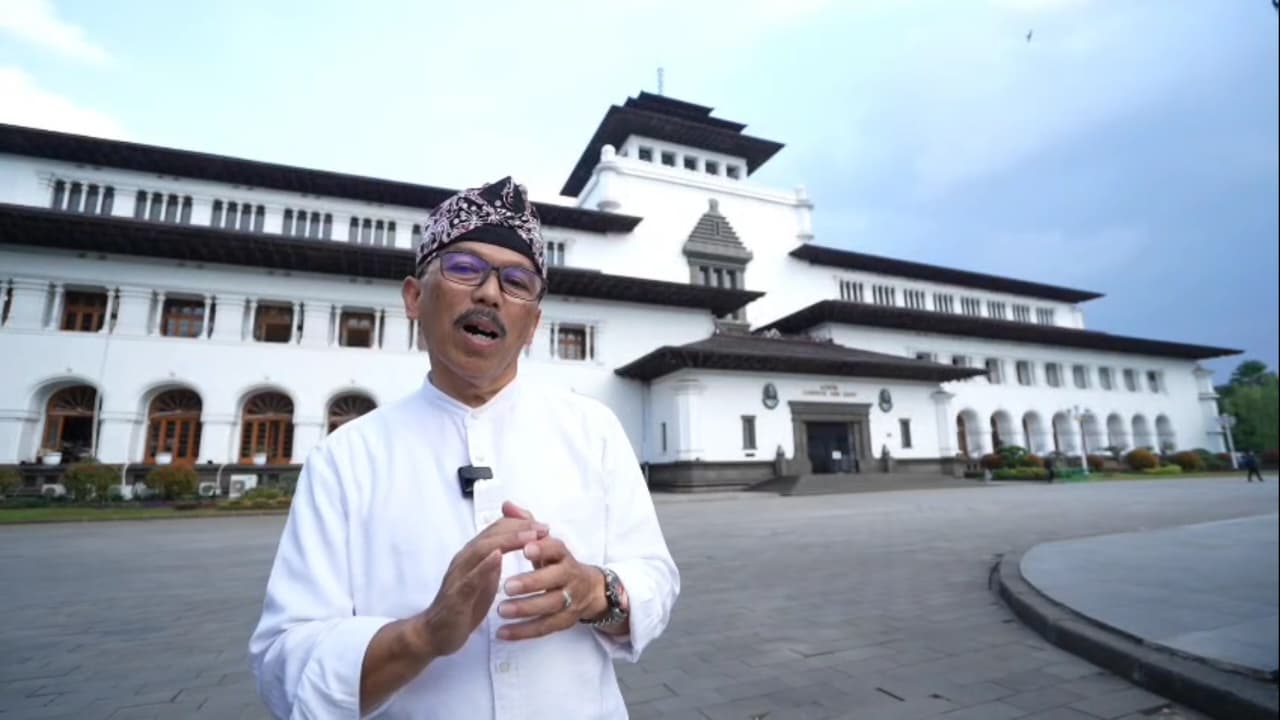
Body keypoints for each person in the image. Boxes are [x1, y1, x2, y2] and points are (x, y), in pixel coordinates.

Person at [248, 177, 680, 719]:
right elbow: (284, 663)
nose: (490, 293)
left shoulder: (592, 430)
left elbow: (655, 577)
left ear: (533, 325)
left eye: (517, 280)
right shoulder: (347, 458)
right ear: (413, 296)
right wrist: (424, 634)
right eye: (464, 269)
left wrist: (595, 591)